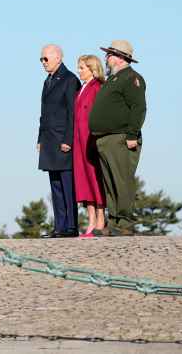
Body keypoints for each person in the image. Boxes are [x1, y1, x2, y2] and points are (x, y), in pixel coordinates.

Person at [89, 40, 147, 236]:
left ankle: (124, 223)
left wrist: (132, 134)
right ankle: (113, 221)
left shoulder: (131, 78)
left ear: (121, 58)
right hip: (105, 139)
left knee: (122, 181)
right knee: (110, 182)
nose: (107, 58)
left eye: (110, 55)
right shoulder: (114, 79)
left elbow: (138, 108)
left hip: (120, 138)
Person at [37, 44, 81, 238]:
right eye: (41, 59)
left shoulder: (70, 80)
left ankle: (71, 226)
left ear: (58, 58)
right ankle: (60, 226)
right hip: (49, 142)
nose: (43, 63)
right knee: (55, 184)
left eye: (46, 59)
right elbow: (43, 114)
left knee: (67, 184)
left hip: (63, 141)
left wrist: (68, 139)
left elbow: (73, 113)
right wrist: (40, 138)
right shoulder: (48, 81)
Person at [72, 54, 106, 237]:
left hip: (91, 141)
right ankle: (91, 220)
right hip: (79, 143)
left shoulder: (97, 88)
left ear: (92, 69)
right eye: (79, 67)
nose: (79, 71)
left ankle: (100, 218)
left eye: (82, 68)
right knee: (84, 182)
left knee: (95, 180)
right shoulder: (81, 90)